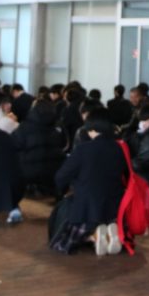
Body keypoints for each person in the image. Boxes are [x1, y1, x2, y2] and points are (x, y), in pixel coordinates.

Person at [50, 108, 128, 255]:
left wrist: (63, 190)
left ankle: (93, 236)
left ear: (92, 128)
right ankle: (108, 233)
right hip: (113, 204)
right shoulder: (119, 148)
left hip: (86, 206)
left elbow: (61, 176)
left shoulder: (83, 149)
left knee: (61, 238)